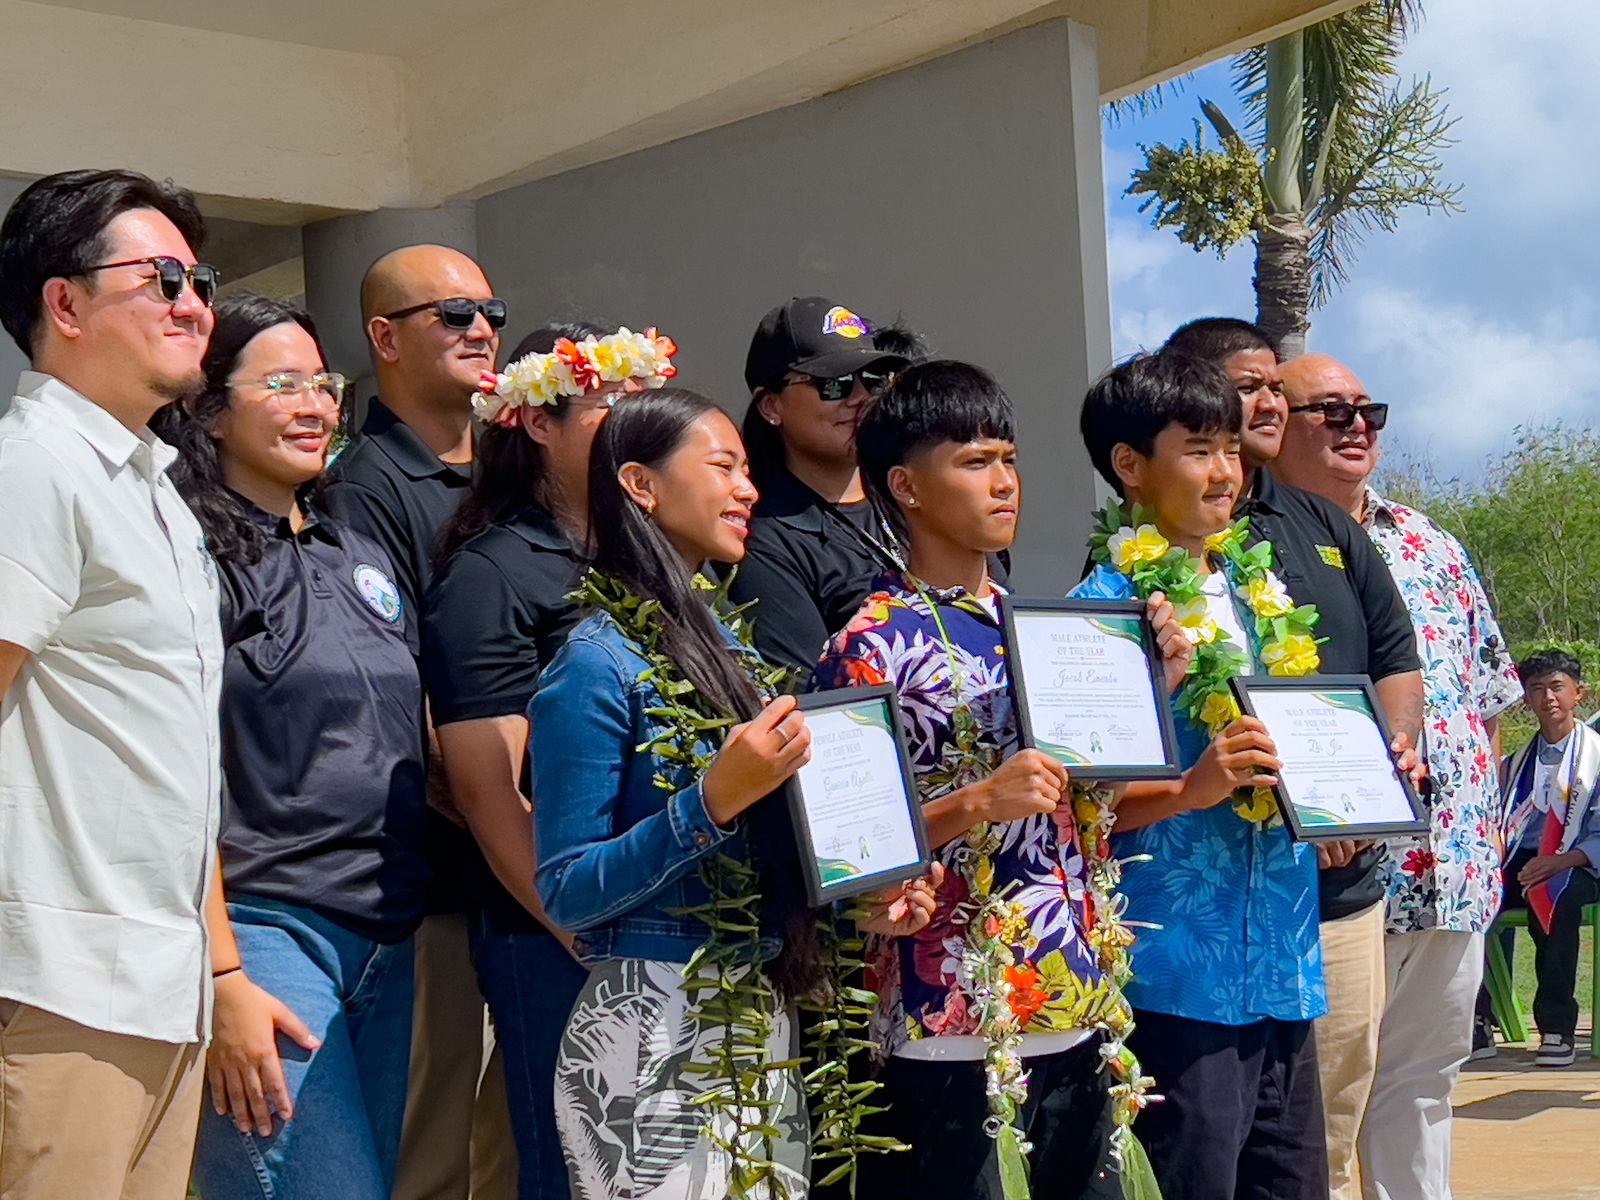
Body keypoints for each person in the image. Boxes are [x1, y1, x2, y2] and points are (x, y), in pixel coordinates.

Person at [530, 388, 938, 1199]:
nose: (748, 489)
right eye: (724, 467)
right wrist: (708, 801)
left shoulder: (730, 654)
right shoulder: (594, 661)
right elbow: (566, 888)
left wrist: (861, 898)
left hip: (755, 1015)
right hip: (650, 1025)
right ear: (641, 485)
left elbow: (763, 854)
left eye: (749, 471)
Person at [810, 361, 1183, 1199]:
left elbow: (1093, 805)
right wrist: (977, 802)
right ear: (904, 485)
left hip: (1076, 997)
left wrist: (1148, 684)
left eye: (1009, 458)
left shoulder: (1052, 629)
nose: (1004, 482)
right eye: (975, 462)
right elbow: (842, 844)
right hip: (948, 1011)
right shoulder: (867, 642)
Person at [151, 294, 429, 1198]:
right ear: (206, 407)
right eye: (280, 384)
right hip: (268, 930)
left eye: (322, 384)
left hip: (386, 933)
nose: (314, 405)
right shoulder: (188, 559)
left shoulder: (359, 552)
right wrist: (224, 976)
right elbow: (170, 775)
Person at [1162, 319, 1425, 1200]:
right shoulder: (1144, 574)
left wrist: (1373, 779)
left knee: (1320, 1138)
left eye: (1277, 385)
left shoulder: (1322, 523)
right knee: (1208, 1151)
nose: (1267, 401)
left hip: (1335, 891)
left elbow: (1393, 654)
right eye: (1249, 384)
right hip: (1205, 928)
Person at [0, 168, 223, 1199]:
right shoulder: (32, 465)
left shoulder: (157, 491)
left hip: (156, 992)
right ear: (64, 301)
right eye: (163, 276)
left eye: (200, 280)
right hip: (54, 987)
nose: (194, 303)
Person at [423, 320, 680, 1198]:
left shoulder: (650, 558)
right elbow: (489, 791)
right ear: (536, 422)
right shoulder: (492, 572)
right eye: (612, 404)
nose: (634, 422)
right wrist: (583, 933)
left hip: (668, 923)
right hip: (556, 935)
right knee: (581, 1165)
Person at [1073, 352, 1328, 1200]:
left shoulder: (1266, 595)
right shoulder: (1099, 615)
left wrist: (1335, 803)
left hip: (1287, 967)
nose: (1226, 471)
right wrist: (1191, 788)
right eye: (1199, 449)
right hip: (1176, 978)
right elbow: (1074, 810)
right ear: (1130, 467)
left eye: (1230, 448)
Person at [1274, 351, 1521, 1198]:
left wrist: (1481, 841)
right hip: (1337, 875)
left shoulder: (1430, 543)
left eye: (1367, 412)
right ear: (1271, 426)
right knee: (1330, 1098)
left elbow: (1486, 704)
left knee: (1424, 1085)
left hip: (1452, 873)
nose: (1355, 426)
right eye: (1329, 411)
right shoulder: (1253, 549)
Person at [325, 244, 515, 1200]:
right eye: (451, 313)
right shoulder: (362, 486)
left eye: (490, 311)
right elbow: (393, 681)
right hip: (442, 863)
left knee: (524, 1127)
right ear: (382, 338)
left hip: (537, 853)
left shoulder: (515, 468)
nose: (480, 329)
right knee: (431, 1137)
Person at [726, 295, 909, 669]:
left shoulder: (913, 492)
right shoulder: (760, 537)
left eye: (874, 380)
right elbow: (809, 691)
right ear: (771, 407)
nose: (860, 397)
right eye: (834, 384)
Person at [1494, 651, 1600, 1067]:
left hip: (1579, 864)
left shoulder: (1594, 756)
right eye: (1536, 689)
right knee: (1468, 899)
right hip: (1521, 862)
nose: (1547, 698)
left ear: (1579, 694)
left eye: (1557, 687)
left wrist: (1561, 861)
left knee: (1553, 895)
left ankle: (1556, 1026)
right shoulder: (1515, 763)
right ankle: (1478, 1019)